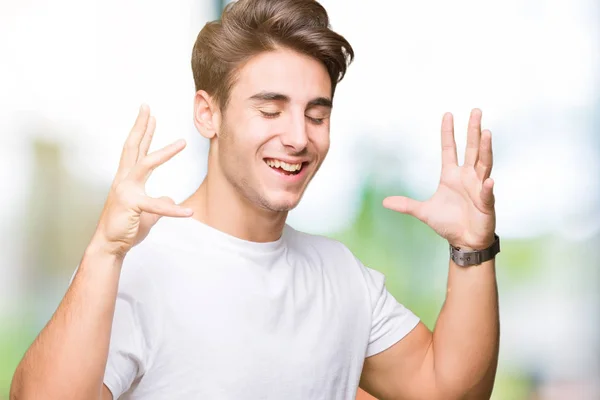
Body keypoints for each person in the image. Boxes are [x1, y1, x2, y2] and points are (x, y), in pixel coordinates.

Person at [10, 0, 500, 399]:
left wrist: (473, 249)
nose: (297, 137)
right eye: (270, 109)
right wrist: (103, 252)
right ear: (208, 114)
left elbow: (449, 389)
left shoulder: (341, 275)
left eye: (316, 114)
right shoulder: (139, 265)